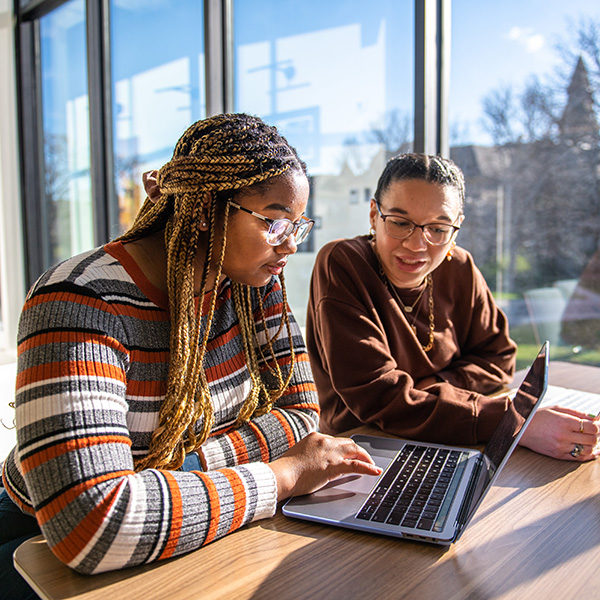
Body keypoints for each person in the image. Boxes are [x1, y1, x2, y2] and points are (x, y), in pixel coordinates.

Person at [0, 113, 381, 599]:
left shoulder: (252, 284)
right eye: (274, 221)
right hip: (32, 539)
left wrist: (154, 480)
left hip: (182, 532)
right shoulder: (79, 301)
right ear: (204, 208)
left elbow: (301, 417)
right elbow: (94, 524)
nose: (289, 244)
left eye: (298, 224)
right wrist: (283, 474)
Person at [306, 152, 599, 462]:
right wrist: (515, 421)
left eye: (439, 228)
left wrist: (437, 386)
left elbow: (499, 358)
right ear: (373, 215)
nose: (418, 244)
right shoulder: (343, 262)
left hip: (454, 439)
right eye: (400, 222)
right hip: (366, 449)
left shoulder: (459, 266)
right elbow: (379, 399)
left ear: (457, 226)